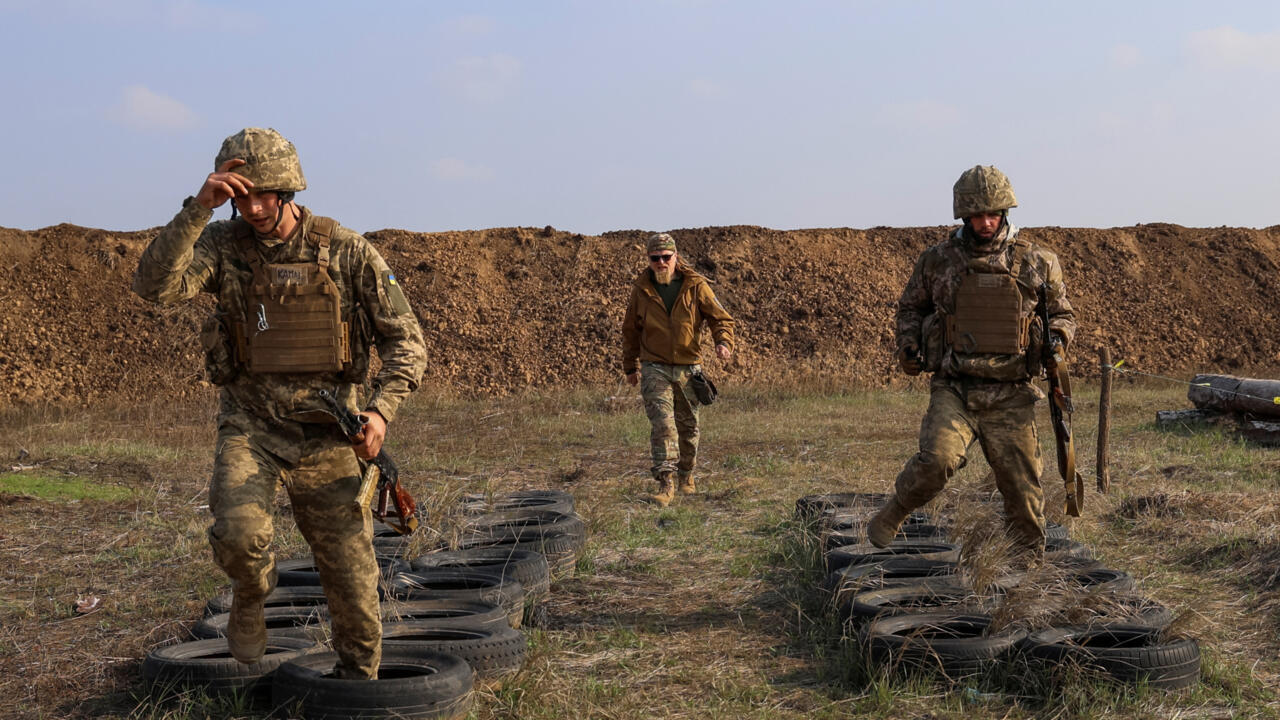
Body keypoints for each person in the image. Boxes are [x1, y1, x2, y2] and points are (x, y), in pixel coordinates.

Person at [132, 128, 427, 679]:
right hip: (252, 427)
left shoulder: (346, 250)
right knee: (241, 539)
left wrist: (381, 410)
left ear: (287, 190)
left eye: (262, 194)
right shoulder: (222, 246)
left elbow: (406, 341)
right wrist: (199, 209)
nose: (252, 206)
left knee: (351, 575)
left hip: (329, 433)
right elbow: (153, 286)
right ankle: (250, 592)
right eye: (239, 195)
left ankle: (357, 688)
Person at [867, 166, 1076, 555]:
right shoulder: (938, 261)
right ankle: (895, 511)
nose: (986, 222)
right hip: (956, 387)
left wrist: (1057, 343)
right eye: (978, 215)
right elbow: (910, 308)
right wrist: (908, 346)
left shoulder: (1038, 262)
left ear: (1006, 213)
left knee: (1023, 488)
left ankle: (1025, 574)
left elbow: (1062, 315)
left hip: (1011, 392)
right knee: (937, 461)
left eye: (993, 214)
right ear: (964, 215)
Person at [621, 233, 735, 506]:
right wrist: (631, 367)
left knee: (689, 428)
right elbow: (630, 330)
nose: (661, 263)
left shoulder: (695, 285)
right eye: (655, 258)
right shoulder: (641, 289)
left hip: (688, 368)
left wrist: (723, 342)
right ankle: (665, 484)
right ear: (648, 260)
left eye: (666, 258)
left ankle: (687, 474)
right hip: (654, 367)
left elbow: (720, 318)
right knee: (663, 426)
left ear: (675, 257)